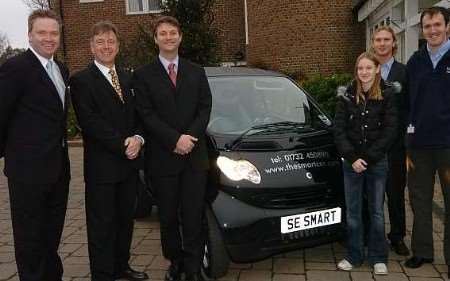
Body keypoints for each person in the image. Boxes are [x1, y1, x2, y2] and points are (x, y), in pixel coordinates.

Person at [132, 16, 212, 281]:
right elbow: (146, 114)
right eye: (163, 33)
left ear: (180, 37)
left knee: (193, 216)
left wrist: (189, 137)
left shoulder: (196, 71)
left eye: (173, 33)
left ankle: (193, 267)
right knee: (167, 217)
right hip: (163, 158)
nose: (168, 37)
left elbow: (204, 108)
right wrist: (174, 139)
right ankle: (175, 263)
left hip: (194, 158)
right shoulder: (142, 76)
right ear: (155, 39)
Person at [70, 21, 148, 281]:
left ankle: (121, 266)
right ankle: (103, 274)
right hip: (102, 168)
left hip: (129, 165)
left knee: (125, 221)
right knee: (101, 225)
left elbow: (140, 114)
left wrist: (138, 137)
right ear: (92, 47)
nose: (106, 46)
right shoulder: (81, 80)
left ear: (118, 46)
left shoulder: (128, 77)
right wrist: (123, 144)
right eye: (101, 42)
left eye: (111, 41)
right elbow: (90, 122)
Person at [0, 9, 70, 281]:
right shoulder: (15, 68)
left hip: (59, 171)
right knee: (30, 242)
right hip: (27, 174)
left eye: (54, 33)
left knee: (51, 236)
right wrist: (15, 157)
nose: (49, 38)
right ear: (30, 35)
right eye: (42, 32)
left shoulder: (61, 69)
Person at [334, 52, 397, 275]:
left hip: (376, 163)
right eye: (360, 68)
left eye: (368, 68)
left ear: (377, 69)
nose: (364, 72)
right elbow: (339, 130)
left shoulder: (388, 94)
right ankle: (354, 255)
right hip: (351, 164)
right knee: (353, 212)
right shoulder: (346, 95)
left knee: (377, 211)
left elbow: (390, 131)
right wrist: (352, 158)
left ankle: (378, 257)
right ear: (356, 70)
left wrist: (369, 158)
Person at [404, 7, 450, 273]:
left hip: (447, 145)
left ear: (447, 26)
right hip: (418, 146)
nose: (432, 30)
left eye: (437, 25)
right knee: (419, 200)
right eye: (427, 26)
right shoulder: (415, 62)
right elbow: (407, 102)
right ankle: (422, 252)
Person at [370, 26, 409, 256]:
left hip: (395, 146)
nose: (382, 44)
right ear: (373, 43)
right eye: (378, 40)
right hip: (371, 146)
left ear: (394, 43)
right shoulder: (366, 69)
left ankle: (397, 236)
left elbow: (409, 107)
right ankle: (373, 235)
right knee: (371, 195)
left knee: (395, 193)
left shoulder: (404, 72)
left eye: (386, 40)